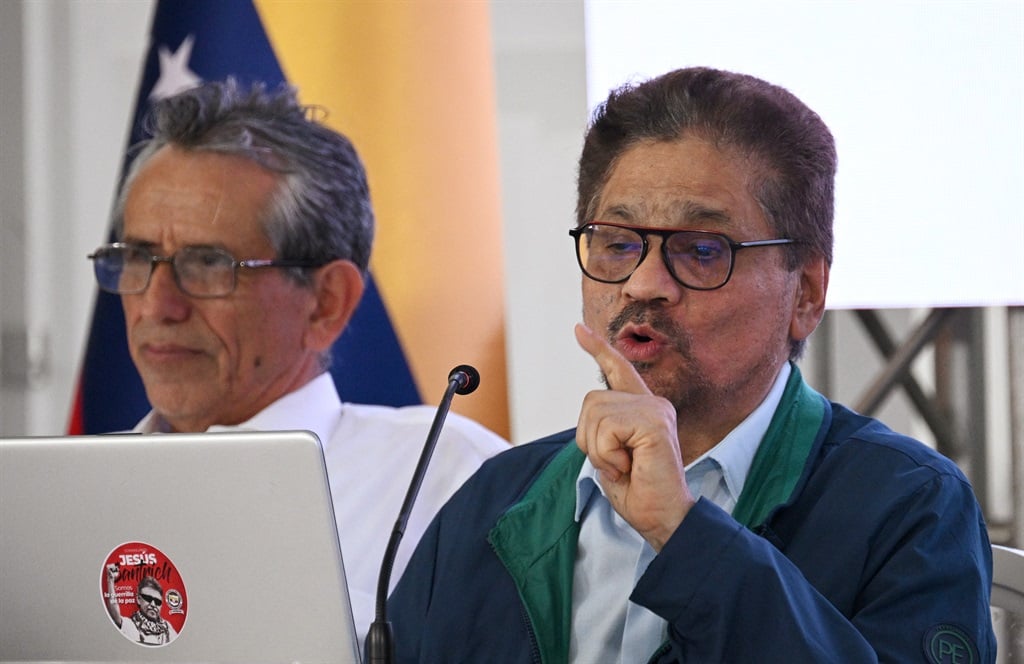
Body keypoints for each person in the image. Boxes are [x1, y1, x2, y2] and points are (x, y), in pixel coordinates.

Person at [385, 67, 996, 662]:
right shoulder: (495, 498)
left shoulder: (911, 503)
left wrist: (683, 534)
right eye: (618, 244)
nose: (643, 284)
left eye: (702, 251)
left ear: (805, 294)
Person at [87, 79, 508, 642]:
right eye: (138, 257)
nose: (157, 305)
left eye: (209, 264)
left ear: (326, 302)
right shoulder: (73, 495)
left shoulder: (449, 478)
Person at [104, 570, 178, 646]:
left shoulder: (168, 628)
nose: (153, 604)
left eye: (157, 601)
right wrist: (110, 580)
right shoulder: (131, 625)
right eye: (148, 598)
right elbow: (114, 612)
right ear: (138, 599)